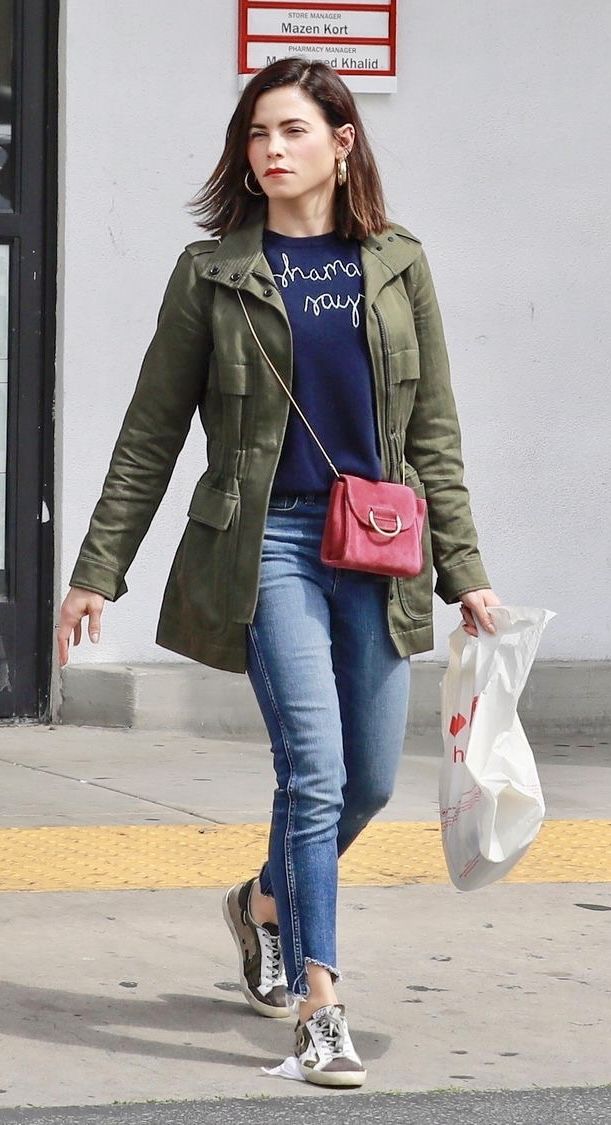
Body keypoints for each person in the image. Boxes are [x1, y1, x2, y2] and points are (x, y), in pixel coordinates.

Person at [58, 57, 502, 1088]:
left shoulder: (395, 265)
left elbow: (432, 434)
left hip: (379, 549)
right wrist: (96, 570)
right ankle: (320, 1008)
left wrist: (465, 574)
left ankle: (260, 902)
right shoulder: (210, 273)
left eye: (292, 131)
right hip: (267, 546)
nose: (270, 150)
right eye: (258, 133)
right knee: (312, 771)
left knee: (372, 782)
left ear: (341, 141)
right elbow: (149, 433)